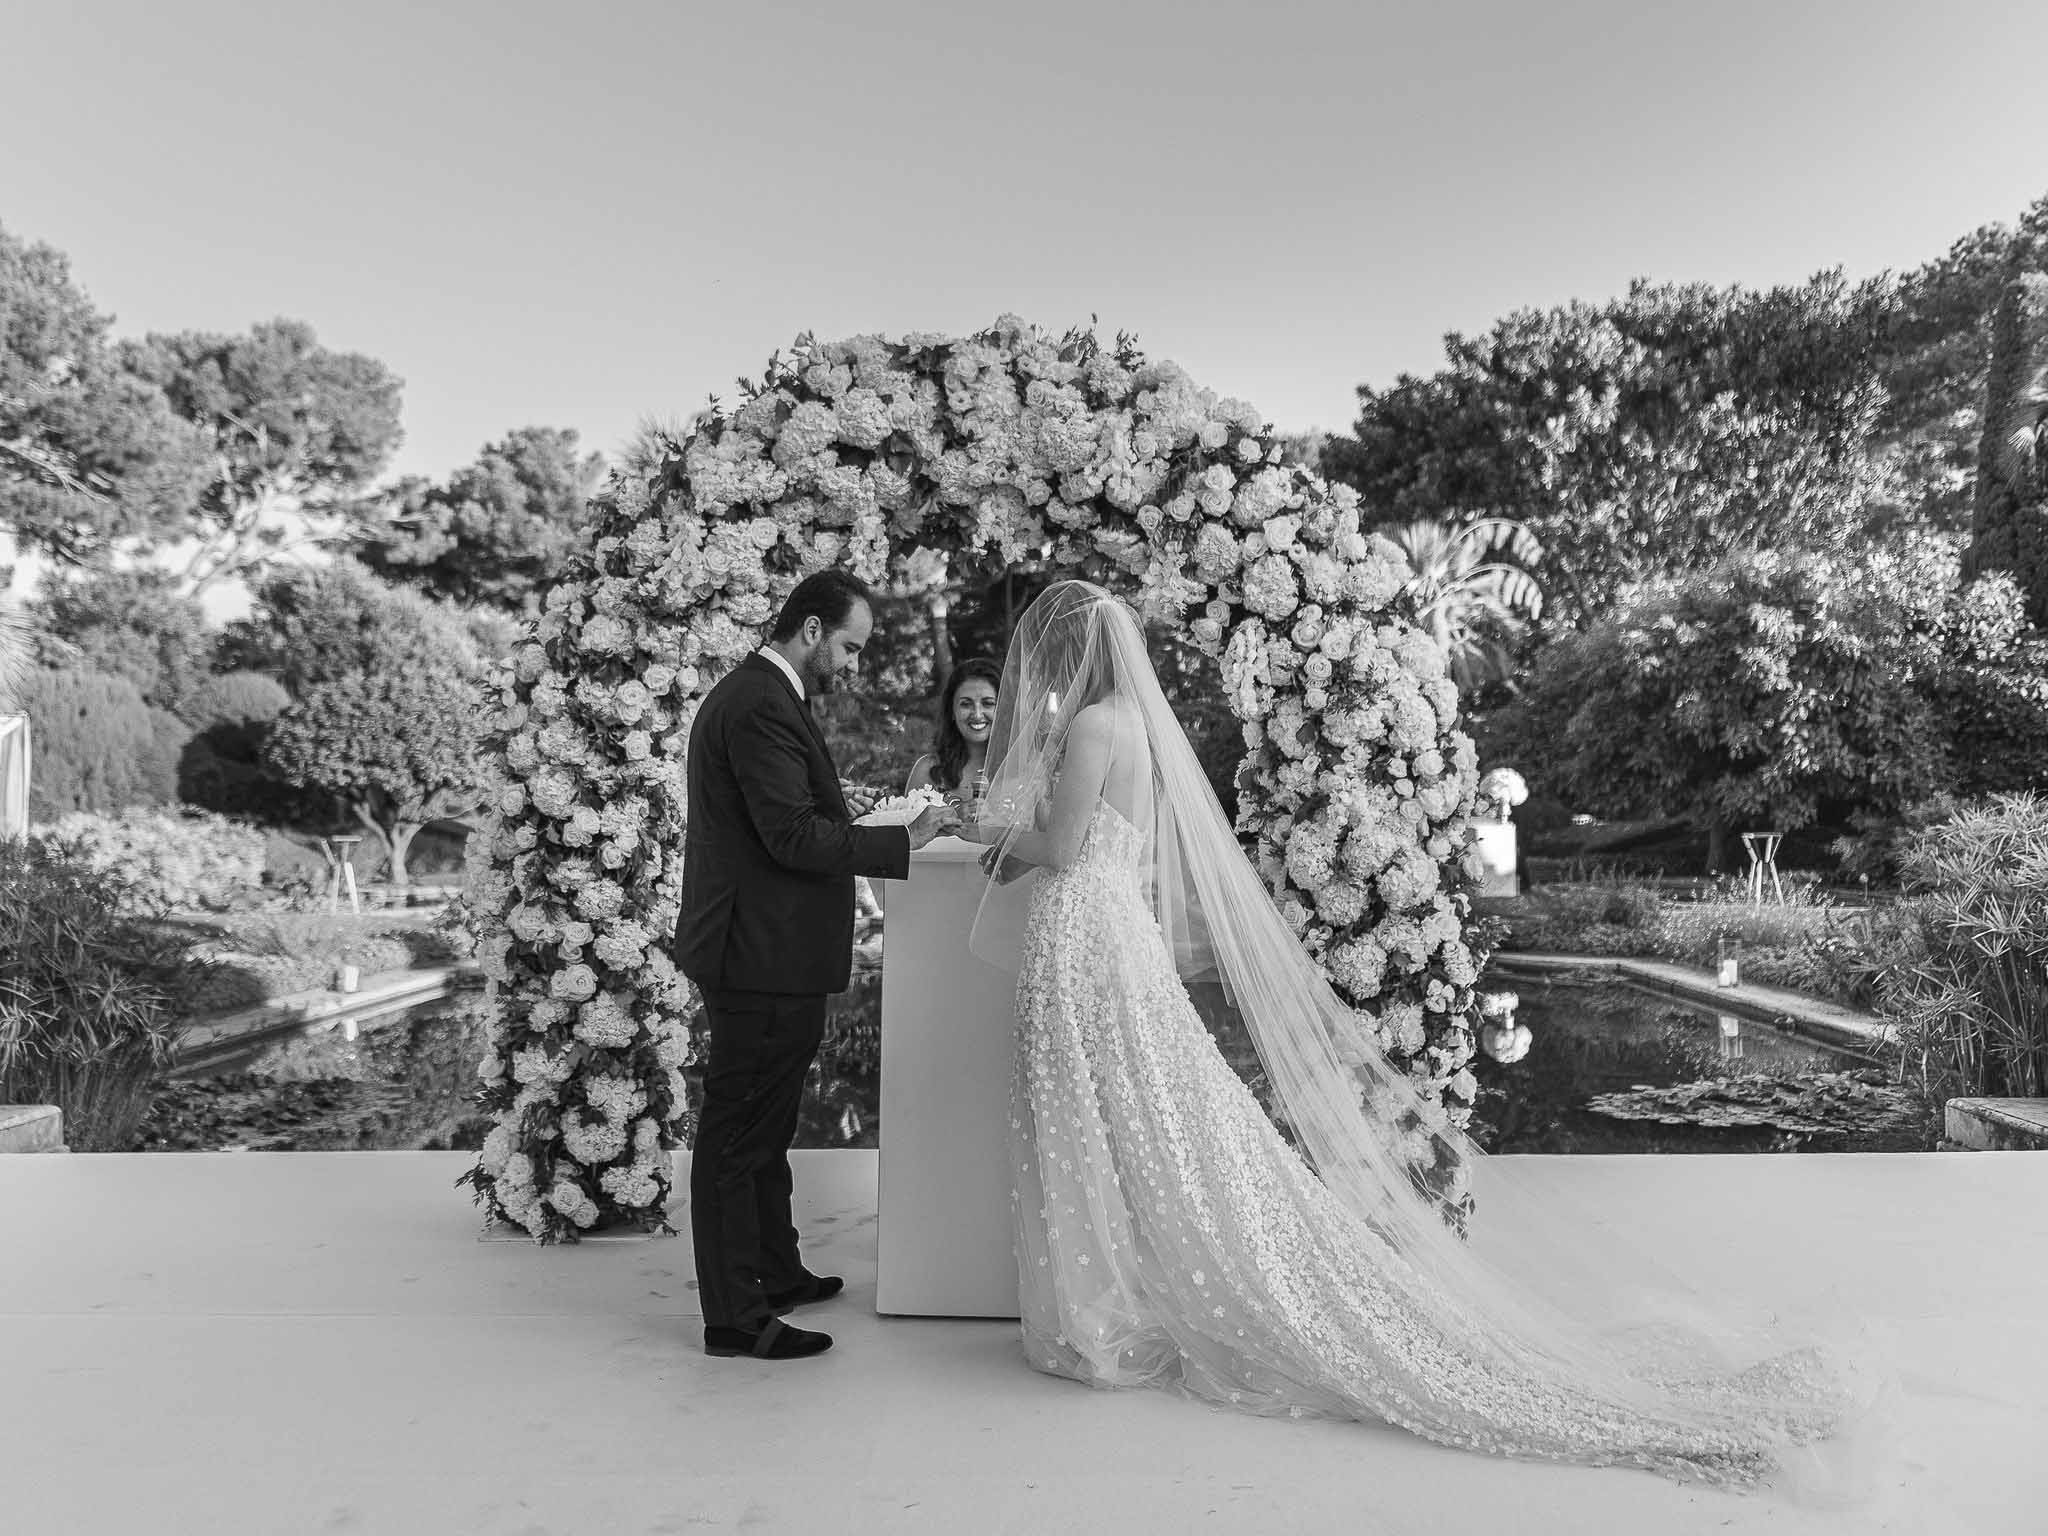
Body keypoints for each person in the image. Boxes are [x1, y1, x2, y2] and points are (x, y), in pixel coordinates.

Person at [960, 580, 1886, 1493]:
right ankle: (1127, 1291)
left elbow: (1070, 848)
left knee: (1095, 1113)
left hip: (1084, 929)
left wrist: (984, 831)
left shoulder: (1090, 727)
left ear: (1071, 650)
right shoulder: (1133, 721)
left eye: (1042, 655)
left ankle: (1105, 1309)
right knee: (1148, 1111)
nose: (1035, 673)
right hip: (1107, 933)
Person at [673, 569, 958, 1362]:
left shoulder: (766, 696)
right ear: (808, 629)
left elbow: (795, 815)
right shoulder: (760, 702)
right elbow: (792, 836)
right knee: (738, 1134)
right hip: (755, 951)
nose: (856, 664)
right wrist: (907, 839)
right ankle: (735, 1316)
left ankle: (774, 1270)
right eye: (851, 647)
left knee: (768, 1127)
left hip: (772, 948)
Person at [905, 658, 1002, 799]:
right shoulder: (927, 770)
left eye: (988, 703)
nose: (977, 714)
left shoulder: (1025, 768)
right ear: (951, 710)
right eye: (966, 704)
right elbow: (908, 820)